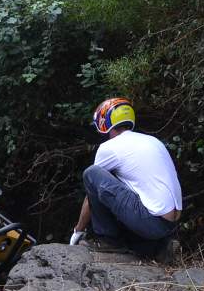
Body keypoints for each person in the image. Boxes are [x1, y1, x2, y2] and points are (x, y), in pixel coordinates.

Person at [70, 97, 182, 262]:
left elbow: (91, 192)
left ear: (104, 123)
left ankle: (108, 240)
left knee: (92, 173)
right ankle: (160, 247)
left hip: (151, 221)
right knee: (124, 188)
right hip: (169, 223)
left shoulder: (109, 148)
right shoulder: (152, 140)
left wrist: (78, 231)